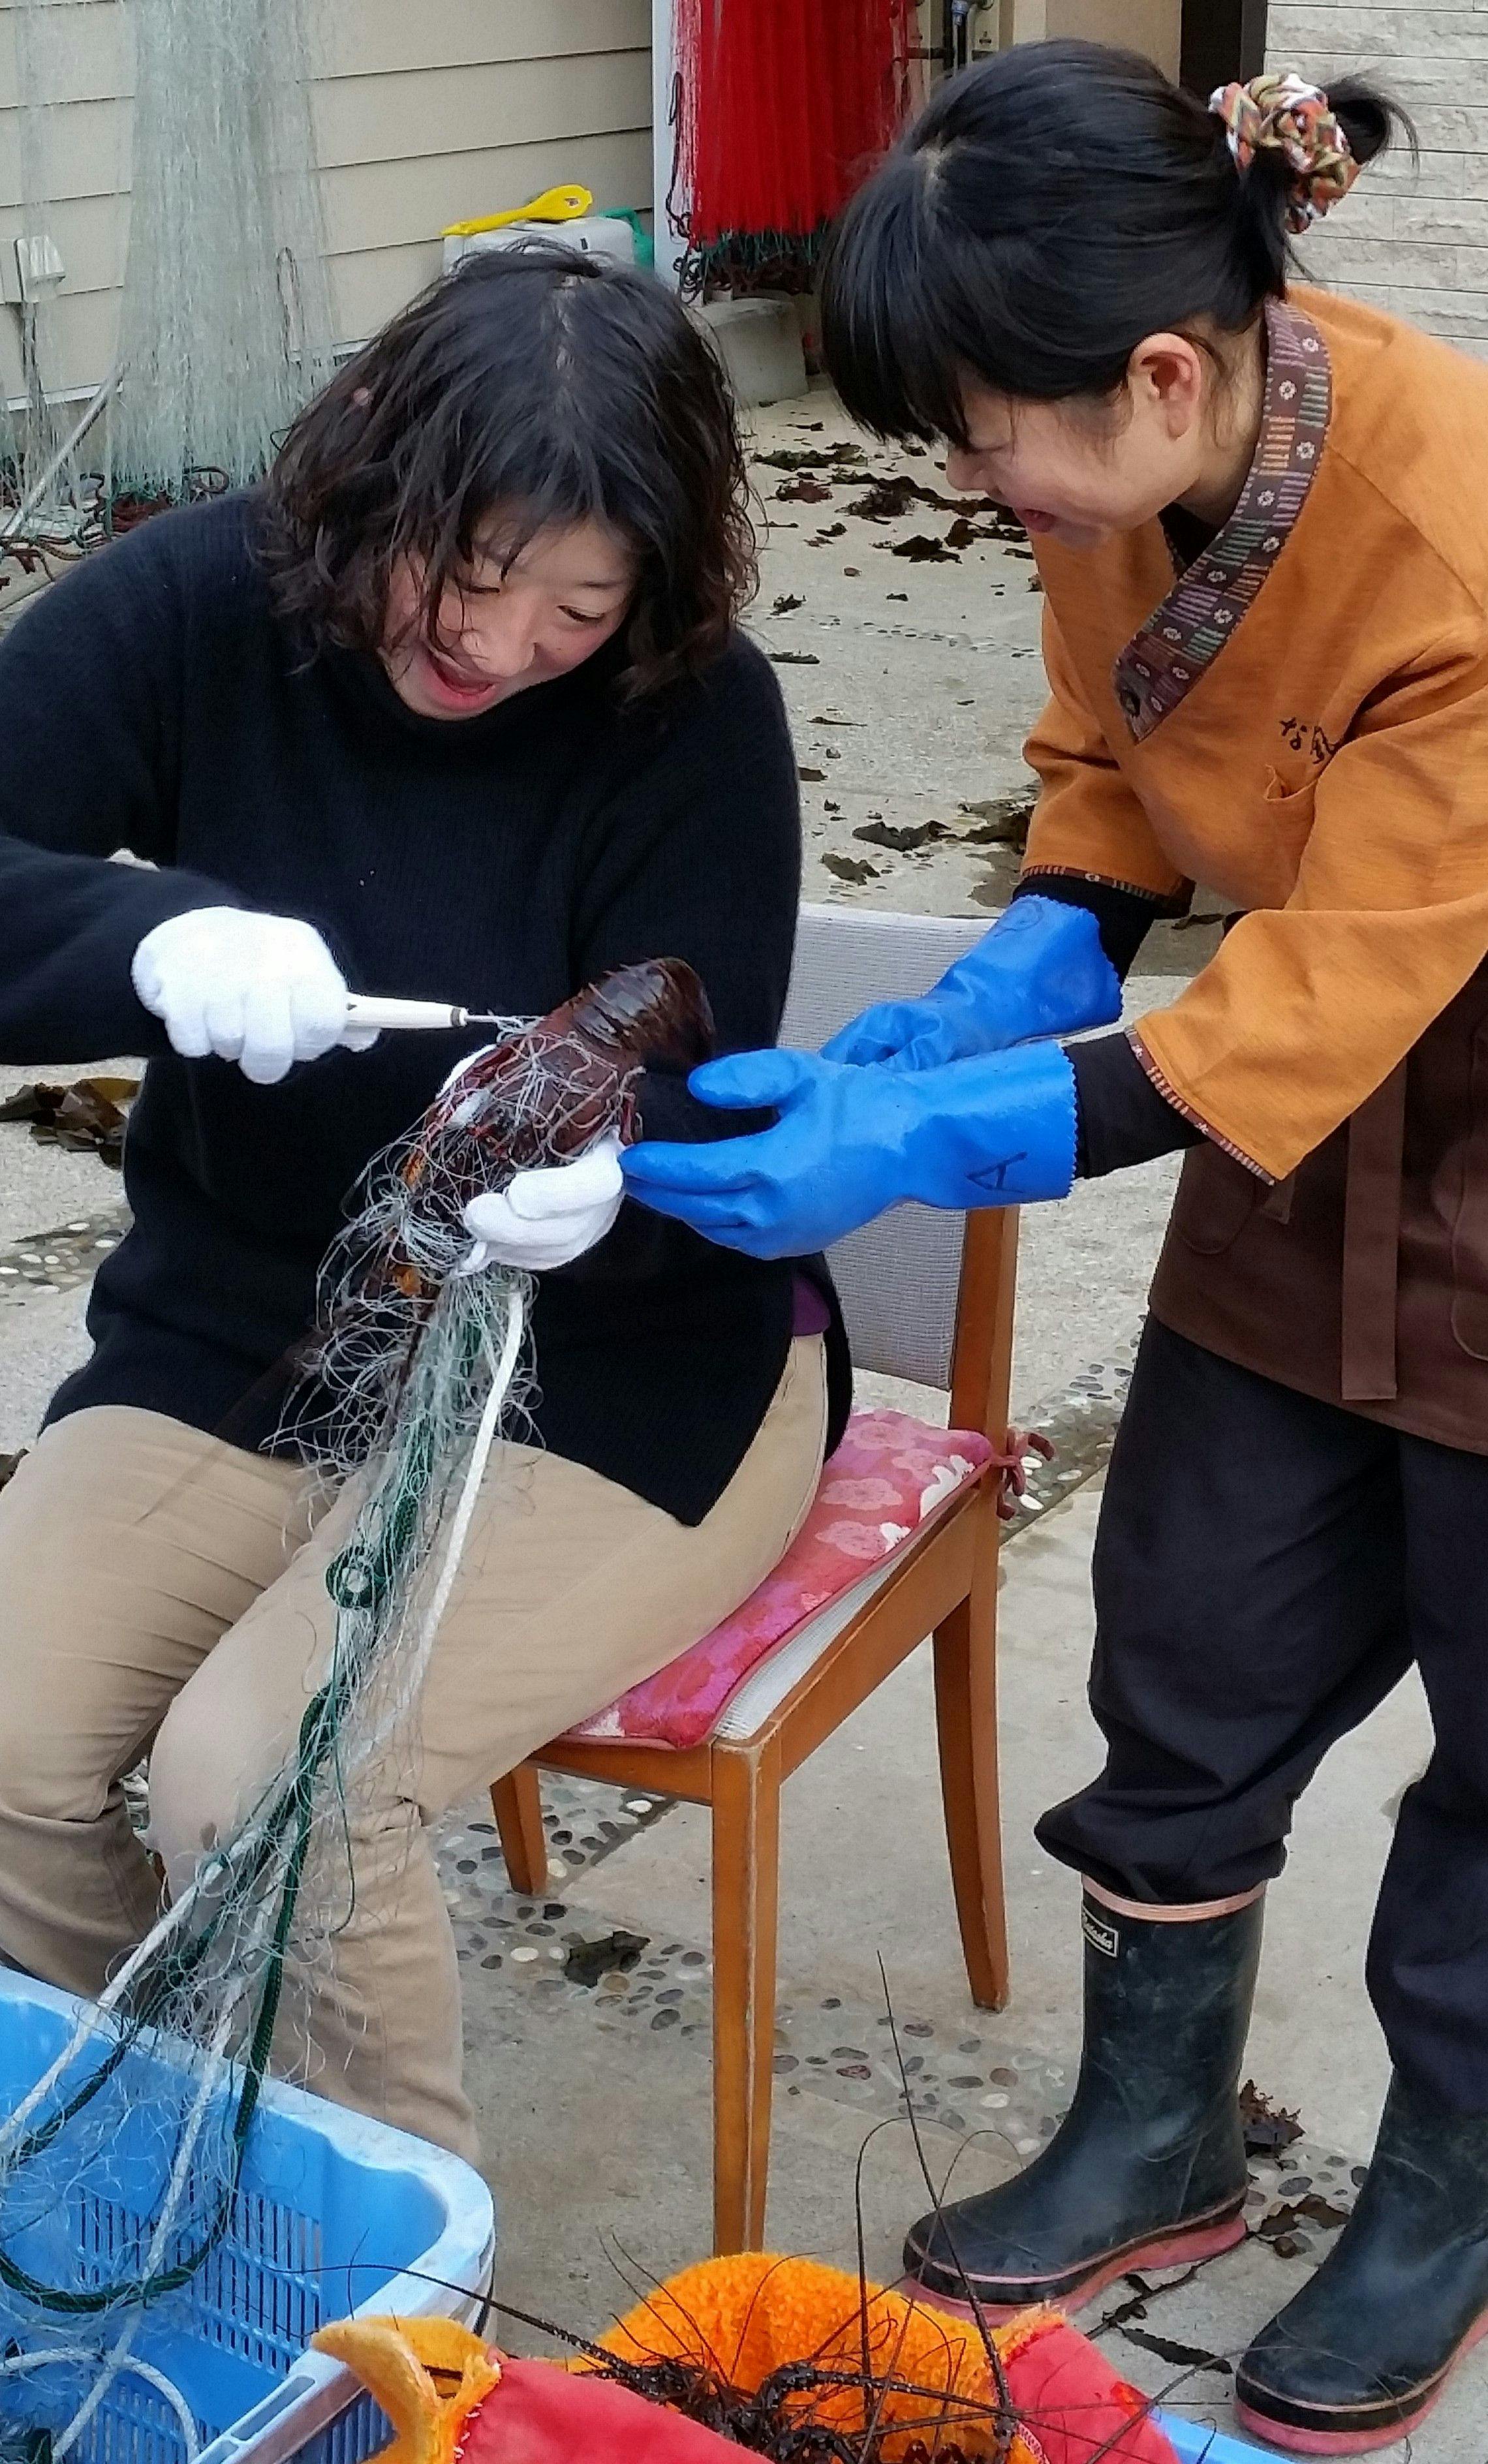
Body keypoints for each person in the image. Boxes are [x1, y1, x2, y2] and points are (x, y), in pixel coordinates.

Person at [622, 45, 1488, 2454]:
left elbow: (1307, 1000)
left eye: (993, 434)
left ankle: (1451, 2182)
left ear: (1168, 370)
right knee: (1196, 1625)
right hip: (1299, 1135)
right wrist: (1003, 978)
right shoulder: (1115, 457)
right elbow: (1110, 761)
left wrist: (941, 1144)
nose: (980, 483)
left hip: (1441, 1089)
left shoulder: (1462, 544)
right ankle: (1162, 2127)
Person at [0, 247, 853, 2166]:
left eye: (577, 604)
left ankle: (399, 2314)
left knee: (271, 1781)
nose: (501, 640)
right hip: (256, 1319)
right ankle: (144, 2164)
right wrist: (143, 939)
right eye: (465, 572)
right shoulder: (202, 605)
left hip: (626, 1365)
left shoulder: (692, 716)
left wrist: (603, 1175)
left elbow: (705, 1085)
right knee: (8, 1735)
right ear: (362, 480)